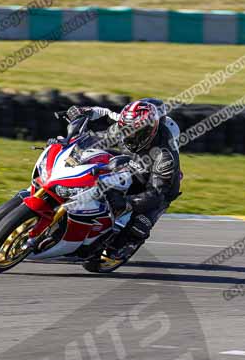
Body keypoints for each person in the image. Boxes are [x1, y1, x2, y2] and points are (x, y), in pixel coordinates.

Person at [65, 99, 182, 260]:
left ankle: (125, 245)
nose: (129, 136)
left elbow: (157, 193)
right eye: (126, 130)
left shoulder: (165, 157)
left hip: (157, 188)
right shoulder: (128, 126)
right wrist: (71, 144)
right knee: (94, 168)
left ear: (150, 131)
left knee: (139, 225)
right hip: (131, 165)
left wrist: (128, 203)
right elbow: (100, 136)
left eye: (135, 133)